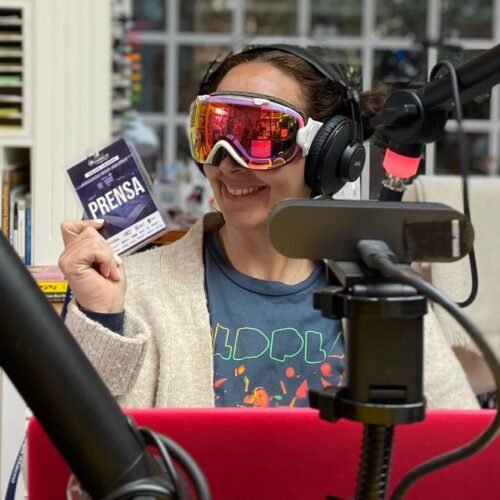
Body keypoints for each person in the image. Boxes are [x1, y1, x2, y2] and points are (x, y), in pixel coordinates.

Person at [59, 44, 478, 409]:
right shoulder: (137, 289)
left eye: (260, 137)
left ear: (326, 153)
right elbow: (86, 450)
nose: (227, 163)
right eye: (213, 134)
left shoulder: (381, 290)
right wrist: (102, 317)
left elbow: (458, 441)